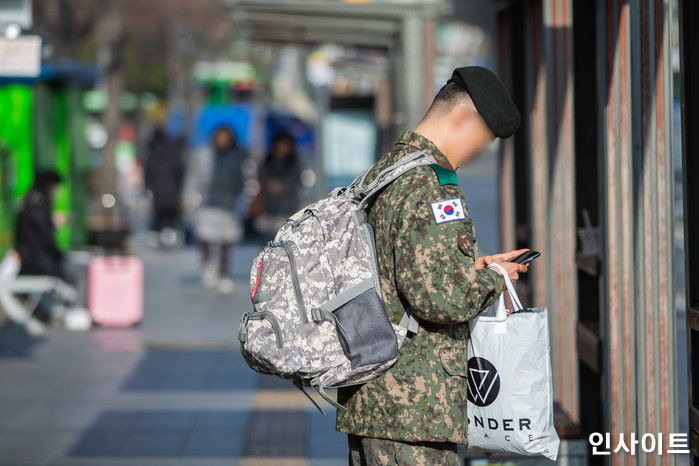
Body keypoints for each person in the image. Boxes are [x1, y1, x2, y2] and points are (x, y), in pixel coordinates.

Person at [335, 66, 529, 465]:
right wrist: (495, 278)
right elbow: (442, 300)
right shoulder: (432, 186)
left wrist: (472, 266)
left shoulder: (387, 170)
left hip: (373, 399)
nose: (478, 152)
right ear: (461, 118)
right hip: (414, 410)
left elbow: (398, 270)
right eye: (483, 139)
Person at [195, 126, 245, 293]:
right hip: (208, 202)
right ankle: (208, 266)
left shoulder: (238, 157)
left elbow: (243, 181)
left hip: (229, 204)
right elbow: (195, 177)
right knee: (206, 238)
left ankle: (224, 273)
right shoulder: (205, 154)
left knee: (226, 241)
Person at [15, 170, 66, 279]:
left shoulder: (31, 199)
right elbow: (43, 233)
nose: (57, 193)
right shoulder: (38, 203)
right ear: (49, 185)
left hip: (30, 258)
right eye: (56, 188)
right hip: (36, 261)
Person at [253, 131, 303, 241]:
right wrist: (269, 184)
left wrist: (282, 186)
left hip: (288, 209)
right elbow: (260, 177)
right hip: (268, 208)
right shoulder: (267, 161)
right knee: (267, 242)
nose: (282, 148)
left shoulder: (295, 163)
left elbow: (297, 181)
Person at [144, 126, 185, 246]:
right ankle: (171, 238)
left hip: (158, 191)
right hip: (172, 191)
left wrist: (147, 187)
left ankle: (161, 238)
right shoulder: (174, 152)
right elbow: (180, 173)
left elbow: (148, 173)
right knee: (172, 216)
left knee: (159, 216)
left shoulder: (153, 153)